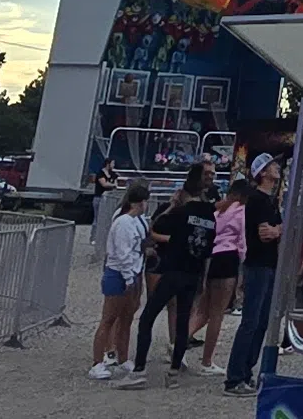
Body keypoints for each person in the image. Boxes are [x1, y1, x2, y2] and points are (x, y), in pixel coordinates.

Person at [125, 163, 215, 387]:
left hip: (174, 269)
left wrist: (172, 207)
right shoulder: (210, 215)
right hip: (194, 272)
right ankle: (174, 372)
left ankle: (139, 370)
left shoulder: (180, 212)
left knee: (147, 318)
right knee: (183, 321)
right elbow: (208, 248)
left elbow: (155, 228)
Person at [220, 153, 287, 394]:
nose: (276, 168)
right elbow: (265, 234)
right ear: (262, 173)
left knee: (260, 322)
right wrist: (280, 229)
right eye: (271, 166)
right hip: (258, 264)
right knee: (251, 321)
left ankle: (246, 372)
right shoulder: (258, 201)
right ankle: (235, 376)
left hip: (267, 264)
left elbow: (277, 229)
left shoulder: (269, 201)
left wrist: (278, 229)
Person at [89, 178, 150, 380]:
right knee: (109, 319)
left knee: (126, 319)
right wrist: (129, 279)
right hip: (119, 274)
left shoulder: (135, 222)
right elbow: (123, 254)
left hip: (132, 272)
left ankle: (123, 357)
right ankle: (97, 361)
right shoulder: (123, 222)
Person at [196, 165, 248, 368]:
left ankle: (178, 344)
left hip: (214, 255)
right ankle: (207, 361)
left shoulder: (219, 211)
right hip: (230, 257)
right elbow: (242, 240)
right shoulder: (242, 212)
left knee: (203, 309)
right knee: (217, 312)